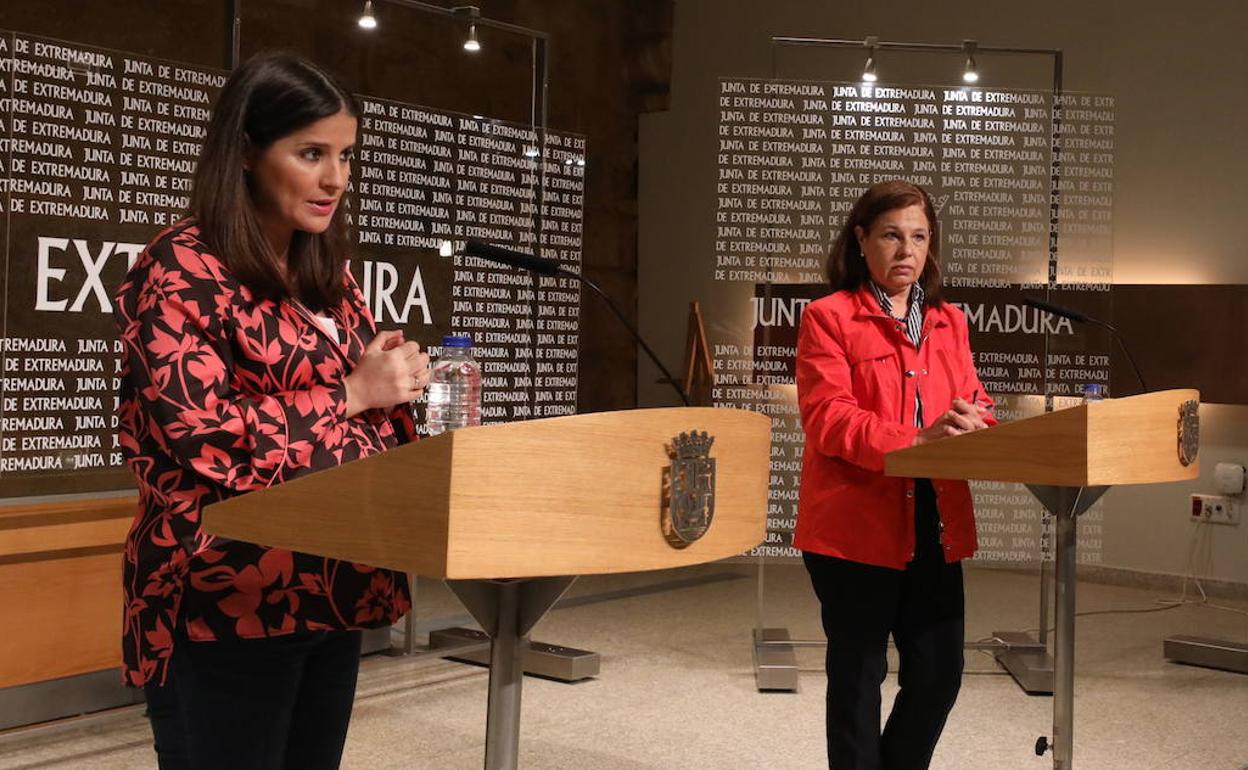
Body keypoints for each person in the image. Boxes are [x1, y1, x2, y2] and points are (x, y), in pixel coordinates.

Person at [113, 52, 430, 770]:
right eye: (311, 153)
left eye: (346, 156)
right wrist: (353, 393)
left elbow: (368, 415)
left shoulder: (327, 274)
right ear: (249, 151)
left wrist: (400, 386)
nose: (334, 180)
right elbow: (205, 438)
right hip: (228, 596)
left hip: (334, 585)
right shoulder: (180, 268)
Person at [794, 179, 996, 770]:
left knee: (939, 673)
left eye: (918, 237)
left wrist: (976, 418)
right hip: (855, 523)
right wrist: (913, 439)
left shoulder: (948, 321)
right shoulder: (827, 317)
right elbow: (828, 418)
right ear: (861, 241)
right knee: (859, 679)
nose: (906, 250)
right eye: (891, 235)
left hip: (936, 519)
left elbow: (975, 395)